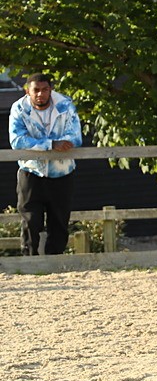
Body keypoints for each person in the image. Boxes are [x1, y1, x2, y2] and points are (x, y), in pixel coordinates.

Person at [8, 74, 82, 255]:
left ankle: (54, 263)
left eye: (44, 89)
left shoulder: (65, 105)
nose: (40, 94)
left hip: (62, 172)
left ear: (51, 90)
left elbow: (75, 137)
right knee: (31, 220)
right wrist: (51, 145)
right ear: (28, 91)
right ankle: (30, 263)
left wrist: (49, 144)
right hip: (31, 171)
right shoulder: (19, 108)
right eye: (36, 90)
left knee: (59, 221)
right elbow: (17, 140)